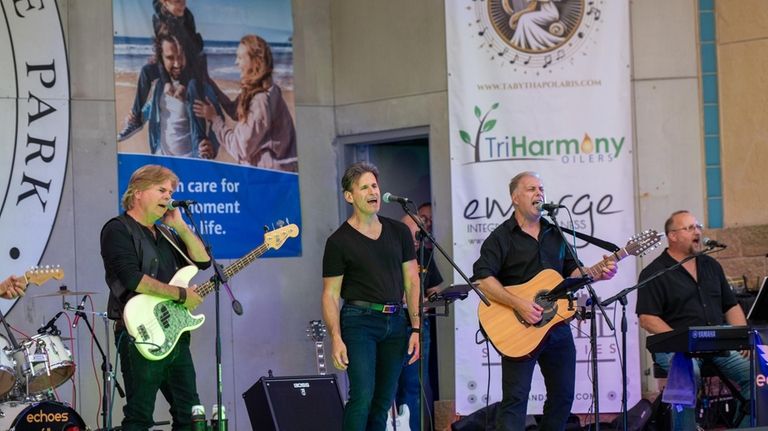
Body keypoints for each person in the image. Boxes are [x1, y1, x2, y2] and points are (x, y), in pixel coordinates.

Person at [472, 171, 616, 430]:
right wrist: (519, 304)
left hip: (557, 326)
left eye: (541, 188)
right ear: (515, 198)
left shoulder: (556, 232)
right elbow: (482, 279)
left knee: (562, 397)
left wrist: (599, 274)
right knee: (515, 400)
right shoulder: (502, 237)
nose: (539, 193)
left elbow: (574, 273)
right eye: (531, 189)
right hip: (519, 328)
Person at [100, 164, 211, 430]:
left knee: (190, 414)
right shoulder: (117, 229)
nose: (168, 196)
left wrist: (181, 228)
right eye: (161, 189)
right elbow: (132, 278)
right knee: (140, 416)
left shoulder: (166, 233)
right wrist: (181, 294)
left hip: (174, 334)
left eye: (171, 191)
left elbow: (204, 262)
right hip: (139, 334)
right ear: (137, 192)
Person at [321, 162, 421, 430]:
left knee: (383, 400)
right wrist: (336, 337)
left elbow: (412, 281)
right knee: (362, 397)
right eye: (364, 187)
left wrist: (415, 327)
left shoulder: (399, 232)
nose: (372, 191)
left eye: (374, 185)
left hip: (396, 322)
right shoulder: (339, 241)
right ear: (349, 196)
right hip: (359, 321)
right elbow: (330, 295)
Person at [636, 210, 751, 430]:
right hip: (675, 345)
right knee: (687, 373)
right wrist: (680, 340)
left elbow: (731, 306)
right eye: (690, 228)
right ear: (672, 236)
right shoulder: (655, 272)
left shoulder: (711, 266)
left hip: (717, 341)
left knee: (758, 373)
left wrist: (741, 336)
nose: (697, 231)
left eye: (698, 226)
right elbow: (648, 319)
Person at [193, 34, 298, 172]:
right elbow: (234, 110)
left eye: (241, 57)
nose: (236, 62)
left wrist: (215, 119)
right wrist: (209, 81)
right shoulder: (268, 90)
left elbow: (239, 148)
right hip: (275, 175)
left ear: (255, 61)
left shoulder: (260, 100)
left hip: (268, 179)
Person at [117, 0, 207, 142]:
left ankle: (201, 140)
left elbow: (192, 52)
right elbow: (161, 54)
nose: (183, 4)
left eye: (183, 0)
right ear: (164, 3)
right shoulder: (158, 19)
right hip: (172, 59)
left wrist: (183, 83)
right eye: (178, 1)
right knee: (147, 70)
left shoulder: (188, 16)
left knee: (194, 85)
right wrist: (166, 82)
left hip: (190, 60)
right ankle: (135, 119)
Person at [395, 213, 442, 431]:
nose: (413, 239)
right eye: (408, 233)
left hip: (419, 328)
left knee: (414, 387)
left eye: (417, 234)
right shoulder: (389, 254)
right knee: (390, 387)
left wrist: (423, 300)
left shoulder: (426, 255)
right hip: (393, 326)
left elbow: (435, 291)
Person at [143, 27, 221, 159]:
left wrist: (212, 144)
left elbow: (218, 116)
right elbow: (153, 107)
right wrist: (138, 115)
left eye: (180, 57)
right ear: (161, 58)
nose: (177, 64)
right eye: (170, 58)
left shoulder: (197, 86)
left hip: (190, 161)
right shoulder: (160, 85)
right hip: (162, 158)